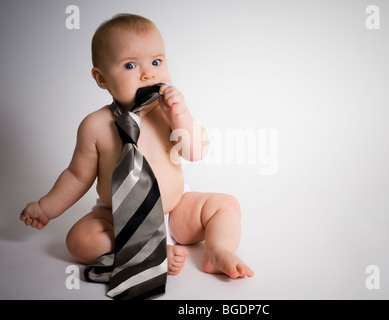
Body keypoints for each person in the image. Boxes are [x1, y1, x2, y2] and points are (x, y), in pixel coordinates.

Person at [19, 13, 254, 280]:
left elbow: (196, 151)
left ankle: (217, 250)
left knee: (225, 205)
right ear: (102, 78)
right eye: (130, 66)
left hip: (175, 211)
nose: (148, 74)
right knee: (79, 240)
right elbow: (77, 175)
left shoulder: (170, 114)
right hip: (118, 221)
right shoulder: (95, 126)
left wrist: (180, 115)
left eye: (156, 61)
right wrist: (46, 207)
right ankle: (146, 252)